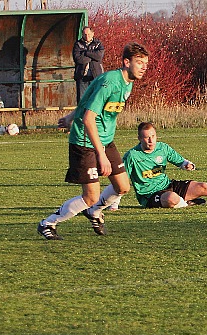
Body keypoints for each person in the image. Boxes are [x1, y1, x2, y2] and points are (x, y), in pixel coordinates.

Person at [38, 42, 150, 240]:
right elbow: (89, 118)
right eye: (139, 62)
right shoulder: (110, 82)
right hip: (85, 142)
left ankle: (94, 212)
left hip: (105, 140)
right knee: (90, 196)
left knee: (123, 187)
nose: (144, 67)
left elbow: (88, 98)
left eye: (146, 64)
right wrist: (101, 155)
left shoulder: (127, 82)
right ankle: (48, 223)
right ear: (126, 62)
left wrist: (71, 116)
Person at [104, 121, 207, 209]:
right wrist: (115, 203)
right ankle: (186, 204)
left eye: (153, 136)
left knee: (204, 187)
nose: (150, 140)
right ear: (139, 138)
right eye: (146, 138)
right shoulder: (132, 156)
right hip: (149, 196)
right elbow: (121, 180)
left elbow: (179, 160)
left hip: (168, 185)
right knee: (171, 198)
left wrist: (187, 164)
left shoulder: (163, 148)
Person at [72, 23, 105, 103]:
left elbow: (99, 56)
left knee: (96, 101)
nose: (87, 36)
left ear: (93, 34)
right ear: (82, 34)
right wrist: (92, 56)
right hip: (82, 77)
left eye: (89, 34)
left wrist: (85, 53)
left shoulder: (98, 44)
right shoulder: (77, 45)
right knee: (82, 101)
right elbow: (78, 59)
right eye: (85, 34)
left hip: (96, 77)